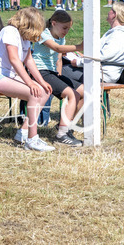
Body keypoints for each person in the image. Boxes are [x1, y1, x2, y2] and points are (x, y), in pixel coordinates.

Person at [0, 8, 54, 151]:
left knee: (44, 91)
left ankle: (24, 132)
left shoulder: (23, 37)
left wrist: (41, 82)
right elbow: (14, 60)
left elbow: (29, 61)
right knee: (33, 93)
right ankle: (32, 139)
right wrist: (30, 83)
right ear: (29, 25)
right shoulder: (10, 31)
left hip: (6, 76)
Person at [31, 10, 84, 146]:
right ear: (53, 23)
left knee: (83, 91)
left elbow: (59, 59)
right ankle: (61, 135)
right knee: (72, 95)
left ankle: (66, 126)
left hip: (52, 72)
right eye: (64, 27)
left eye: (68, 28)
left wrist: (59, 76)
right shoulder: (44, 34)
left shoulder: (61, 37)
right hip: (40, 72)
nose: (66, 31)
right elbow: (57, 48)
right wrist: (80, 46)